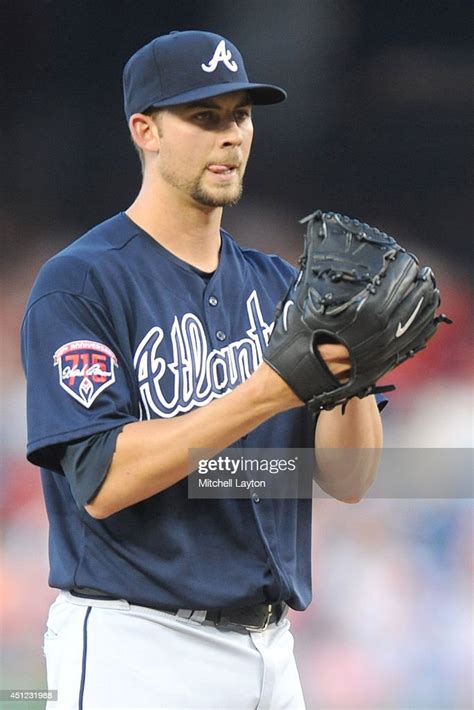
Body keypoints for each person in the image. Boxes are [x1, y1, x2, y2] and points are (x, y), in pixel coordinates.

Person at [21, 30, 383, 709]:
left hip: (272, 651)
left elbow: (348, 479)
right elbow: (100, 479)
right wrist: (267, 391)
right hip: (138, 646)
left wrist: (355, 376)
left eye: (240, 115)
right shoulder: (81, 283)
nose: (231, 136)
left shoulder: (283, 288)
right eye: (204, 117)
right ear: (145, 129)